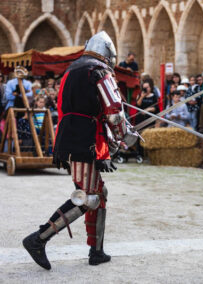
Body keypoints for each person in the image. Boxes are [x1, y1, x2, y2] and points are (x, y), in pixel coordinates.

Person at [22, 31, 139, 270]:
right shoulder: (99, 70)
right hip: (83, 140)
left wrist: (112, 140)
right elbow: (114, 111)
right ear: (108, 53)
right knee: (88, 196)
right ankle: (38, 239)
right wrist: (123, 137)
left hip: (73, 136)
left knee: (99, 192)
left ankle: (96, 251)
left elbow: (88, 109)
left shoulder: (72, 70)